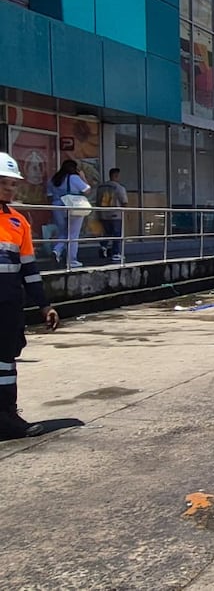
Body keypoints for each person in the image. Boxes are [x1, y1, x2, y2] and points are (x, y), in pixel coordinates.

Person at [0, 152, 60, 439]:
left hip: (8, 306)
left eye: (13, 184)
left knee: (5, 362)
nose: (9, 189)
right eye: (3, 183)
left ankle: (6, 417)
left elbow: (29, 270)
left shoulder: (18, 222)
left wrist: (45, 305)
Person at [46, 159, 90, 268]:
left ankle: (57, 250)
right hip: (73, 206)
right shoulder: (74, 178)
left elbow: (49, 196)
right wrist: (83, 177)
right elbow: (87, 190)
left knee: (63, 232)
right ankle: (72, 260)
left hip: (57, 207)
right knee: (73, 234)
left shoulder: (53, 179)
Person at [94, 168, 128, 261]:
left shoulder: (101, 187)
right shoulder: (119, 187)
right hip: (115, 214)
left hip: (102, 214)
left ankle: (103, 247)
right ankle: (116, 253)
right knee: (117, 234)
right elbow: (124, 201)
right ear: (116, 175)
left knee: (106, 233)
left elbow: (97, 200)